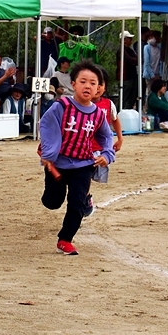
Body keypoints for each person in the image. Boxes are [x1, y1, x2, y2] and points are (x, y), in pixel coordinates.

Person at [39, 60, 115, 256]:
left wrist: (107, 154)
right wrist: (49, 153)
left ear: (98, 88)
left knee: (76, 203)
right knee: (52, 202)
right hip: (57, 163)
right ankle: (56, 197)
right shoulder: (61, 106)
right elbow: (46, 125)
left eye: (93, 83)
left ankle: (65, 239)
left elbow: (106, 136)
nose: (87, 86)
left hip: (83, 164)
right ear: (73, 84)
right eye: (83, 81)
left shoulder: (98, 114)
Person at [84, 66, 123, 216]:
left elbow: (115, 119)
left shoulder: (108, 104)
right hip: (84, 148)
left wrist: (120, 138)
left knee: (90, 176)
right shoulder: (81, 103)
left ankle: (85, 196)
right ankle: (85, 197)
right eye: (94, 83)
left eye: (101, 84)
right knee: (84, 176)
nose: (98, 87)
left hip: (100, 150)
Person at [116, 30, 138, 110]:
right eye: (129, 38)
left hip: (131, 76)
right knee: (124, 96)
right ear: (124, 40)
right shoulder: (121, 50)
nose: (131, 40)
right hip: (125, 77)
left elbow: (135, 59)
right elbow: (129, 60)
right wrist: (135, 60)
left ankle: (127, 110)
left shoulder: (129, 50)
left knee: (131, 96)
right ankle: (119, 112)